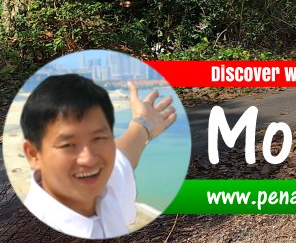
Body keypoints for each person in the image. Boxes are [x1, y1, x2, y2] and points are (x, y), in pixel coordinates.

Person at [19, 73, 177, 239]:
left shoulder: (103, 185)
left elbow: (122, 157)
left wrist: (144, 123)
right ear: (33, 154)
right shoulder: (38, 230)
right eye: (68, 145)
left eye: (98, 138)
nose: (89, 159)